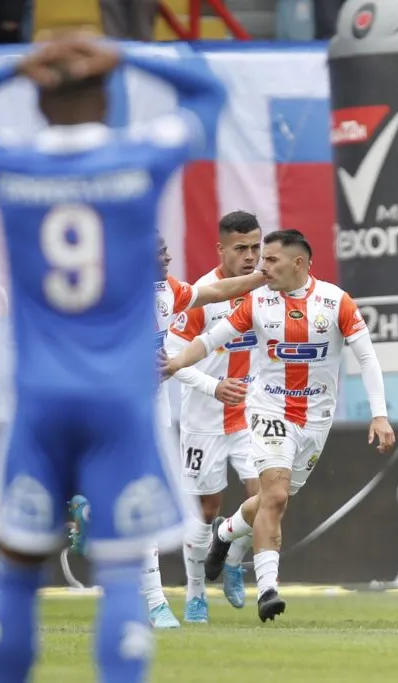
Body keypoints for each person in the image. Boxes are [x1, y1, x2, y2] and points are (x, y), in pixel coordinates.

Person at [0, 32, 227, 682]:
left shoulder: (13, 161)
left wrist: (14, 63)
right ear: (109, 97)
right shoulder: (140, 156)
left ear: (37, 100)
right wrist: (121, 50)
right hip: (121, 401)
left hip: (39, 399)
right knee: (120, 572)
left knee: (21, 574)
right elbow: (209, 91)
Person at [163, 229, 397, 622]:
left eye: (271, 259)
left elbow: (368, 358)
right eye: (260, 257)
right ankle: (268, 590)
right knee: (275, 496)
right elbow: (210, 339)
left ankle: (225, 534)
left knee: (274, 499)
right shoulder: (257, 302)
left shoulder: (336, 302)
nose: (261, 265)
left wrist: (379, 413)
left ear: (299, 264)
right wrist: (175, 363)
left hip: (316, 420)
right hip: (269, 411)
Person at [67, 234, 264, 629]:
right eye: (160, 253)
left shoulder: (167, 291)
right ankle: (156, 603)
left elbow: (217, 290)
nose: (169, 256)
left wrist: (262, 277)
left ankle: (93, 511)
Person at [166, 209, 264, 623]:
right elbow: (170, 356)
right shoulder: (202, 294)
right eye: (241, 248)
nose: (250, 256)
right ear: (221, 249)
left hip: (252, 416)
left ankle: (234, 556)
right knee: (205, 511)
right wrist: (213, 387)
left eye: (256, 247)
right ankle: (194, 594)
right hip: (205, 419)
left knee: (269, 498)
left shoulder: (267, 292)